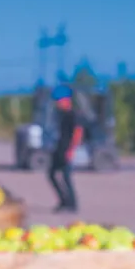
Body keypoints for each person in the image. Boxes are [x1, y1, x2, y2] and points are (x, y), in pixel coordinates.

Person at [48, 85, 83, 213]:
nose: (58, 104)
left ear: (66, 100)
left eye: (59, 101)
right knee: (51, 174)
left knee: (67, 177)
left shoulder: (73, 114)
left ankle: (72, 203)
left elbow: (78, 133)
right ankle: (63, 200)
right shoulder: (60, 114)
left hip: (67, 150)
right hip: (59, 148)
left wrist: (71, 150)